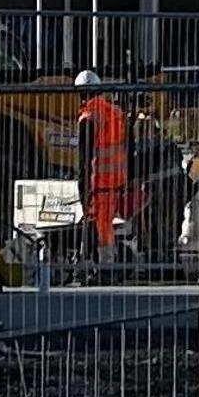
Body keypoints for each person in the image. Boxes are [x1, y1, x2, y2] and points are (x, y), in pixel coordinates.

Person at [73, 71, 131, 260]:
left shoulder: (88, 117)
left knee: (100, 225)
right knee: (107, 224)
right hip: (118, 179)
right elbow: (127, 145)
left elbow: (85, 157)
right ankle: (105, 261)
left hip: (98, 182)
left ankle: (105, 264)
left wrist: (83, 186)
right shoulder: (115, 112)